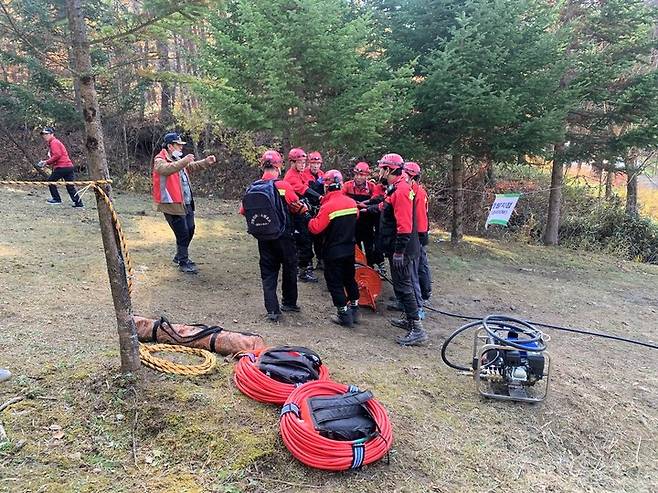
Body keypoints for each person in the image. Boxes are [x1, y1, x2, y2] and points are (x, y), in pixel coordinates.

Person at [241, 150, 310, 322]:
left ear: (262, 166)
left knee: (268, 272)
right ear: (278, 166)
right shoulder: (282, 186)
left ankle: (272, 310)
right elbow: (299, 207)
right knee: (290, 267)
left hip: (263, 237)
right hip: (283, 236)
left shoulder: (252, 187)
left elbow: (243, 211)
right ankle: (289, 302)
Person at [371, 153, 428, 346]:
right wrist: (365, 208)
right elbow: (386, 205)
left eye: (381, 168)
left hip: (402, 247)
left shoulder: (402, 190)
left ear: (388, 170)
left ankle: (417, 328)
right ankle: (409, 319)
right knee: (402, 285)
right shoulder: (397, 187)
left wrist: (398, 252)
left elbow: (404, 225)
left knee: (403, 286)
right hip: (399, 246)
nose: (379, 171)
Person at [152, 132, 217, 274]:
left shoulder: (177, 159)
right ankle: (183, 261)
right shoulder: (160, 159)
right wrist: (184, 161)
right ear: (170, 146)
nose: (181, 148)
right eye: (178, 145)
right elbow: (165, 169)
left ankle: (180, 256)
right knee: (182, 233)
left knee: (190, 230)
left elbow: (190, 166)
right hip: (171, 204)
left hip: (186, 202)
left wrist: (206, 162)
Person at [308, 170, 360, 327]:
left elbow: (315, 228)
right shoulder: (351, 203)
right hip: (349, 249)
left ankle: (343, 314)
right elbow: (356, 216)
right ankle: (355, 309)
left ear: (327, 186)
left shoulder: (328, 206)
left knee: (335, 282)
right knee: (349, 279)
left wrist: (308, 217)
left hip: (333, 251)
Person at [283, 148, 321, 282]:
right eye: (300, 162)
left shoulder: (300, 173)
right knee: (303, 241)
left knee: (307, 239)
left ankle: (305, 267)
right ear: (292, 162)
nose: (303, 164)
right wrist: (320, 197)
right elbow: (303, 189)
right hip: (295, 214)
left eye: (304, 162)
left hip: (300, 211)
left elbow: (309, 185)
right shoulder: (291, 176)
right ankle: (303, 270)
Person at [344, 162, 379, 267]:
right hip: (353, 221)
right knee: (356, 245)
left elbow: (377, 198)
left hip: (368, 222)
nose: (358, 177)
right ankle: (357, 266)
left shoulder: (372, 187)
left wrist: (366, 204)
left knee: (369, 246)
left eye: (362, 175)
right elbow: (340, 197)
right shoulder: (347, 185)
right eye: (356, 174)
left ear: (367, 176)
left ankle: (371, 267)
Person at [38, 127, 83, 207]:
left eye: (46, 134)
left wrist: (46, 162)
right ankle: (79, 203)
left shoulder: (54, 142)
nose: (44, 136)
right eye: (43, 134)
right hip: (68, 166)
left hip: (62, 167)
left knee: (51, 181)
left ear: (52, 134)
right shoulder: (55, 142)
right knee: (70, 185)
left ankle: (56, 199)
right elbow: (57, 155)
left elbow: (57, 155)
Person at [306, 151, 325, 269]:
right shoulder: (304, 174)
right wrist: (316, 184)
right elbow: (306, 189)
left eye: (317, 163)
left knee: (320, 236)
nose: (315, 166)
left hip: (320, 209)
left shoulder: (322, 174)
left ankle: (320, 259)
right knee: (307, 237)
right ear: (309, 163)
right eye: (313, 163)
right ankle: (307, 261)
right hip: (308, 208)